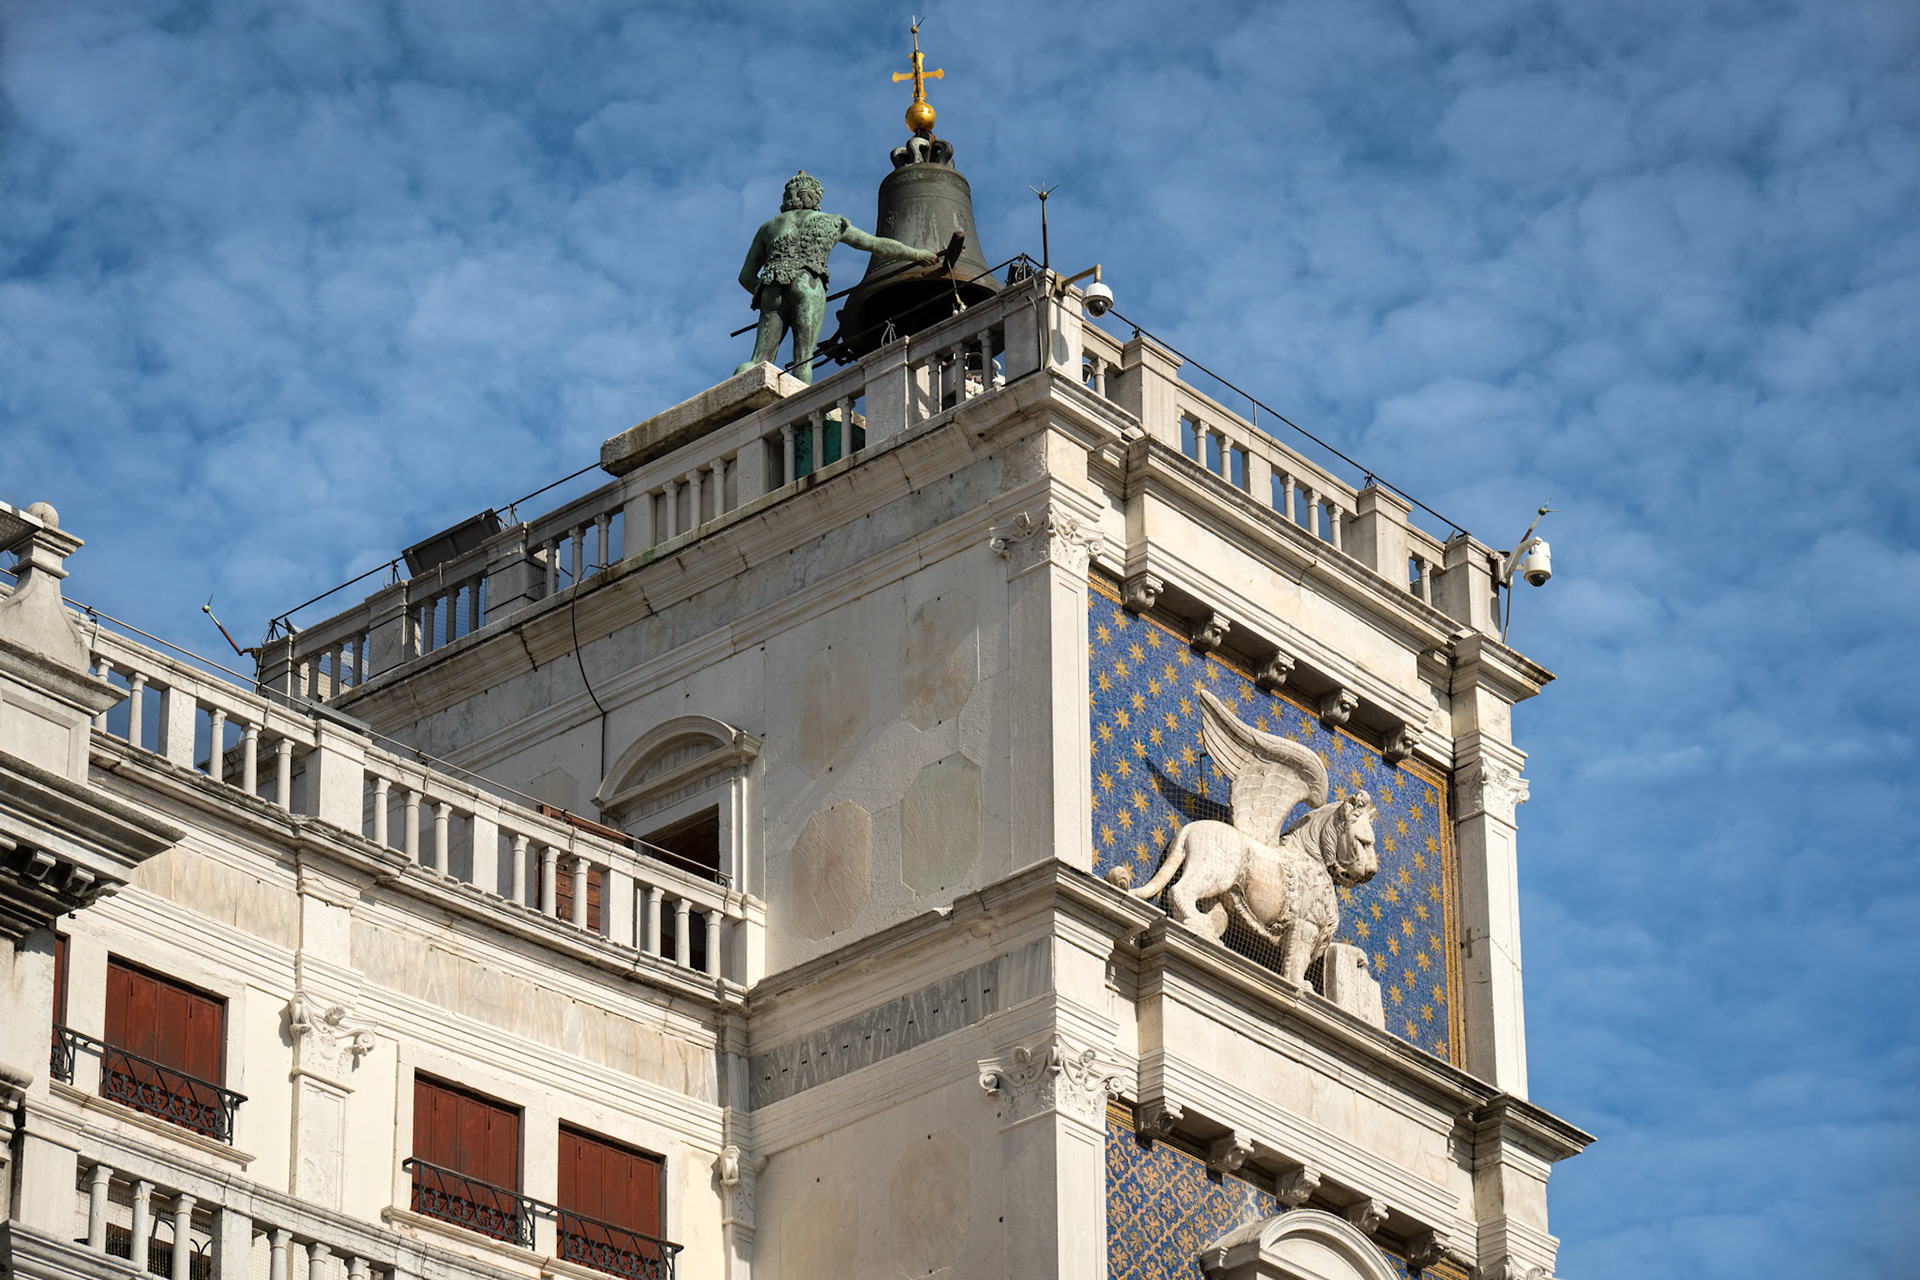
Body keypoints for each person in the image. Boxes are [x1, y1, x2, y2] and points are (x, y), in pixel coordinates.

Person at [735, 171, 938, 383]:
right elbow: (876, 245)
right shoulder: (832, 222)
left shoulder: (768, 227)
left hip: (773, 287)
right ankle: (802, 406)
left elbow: (746, 277)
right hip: (808, 285)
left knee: (757, 362)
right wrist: (915, 254)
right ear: (813, 197)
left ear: (789, 197)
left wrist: (765, 290)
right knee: (803, 360)